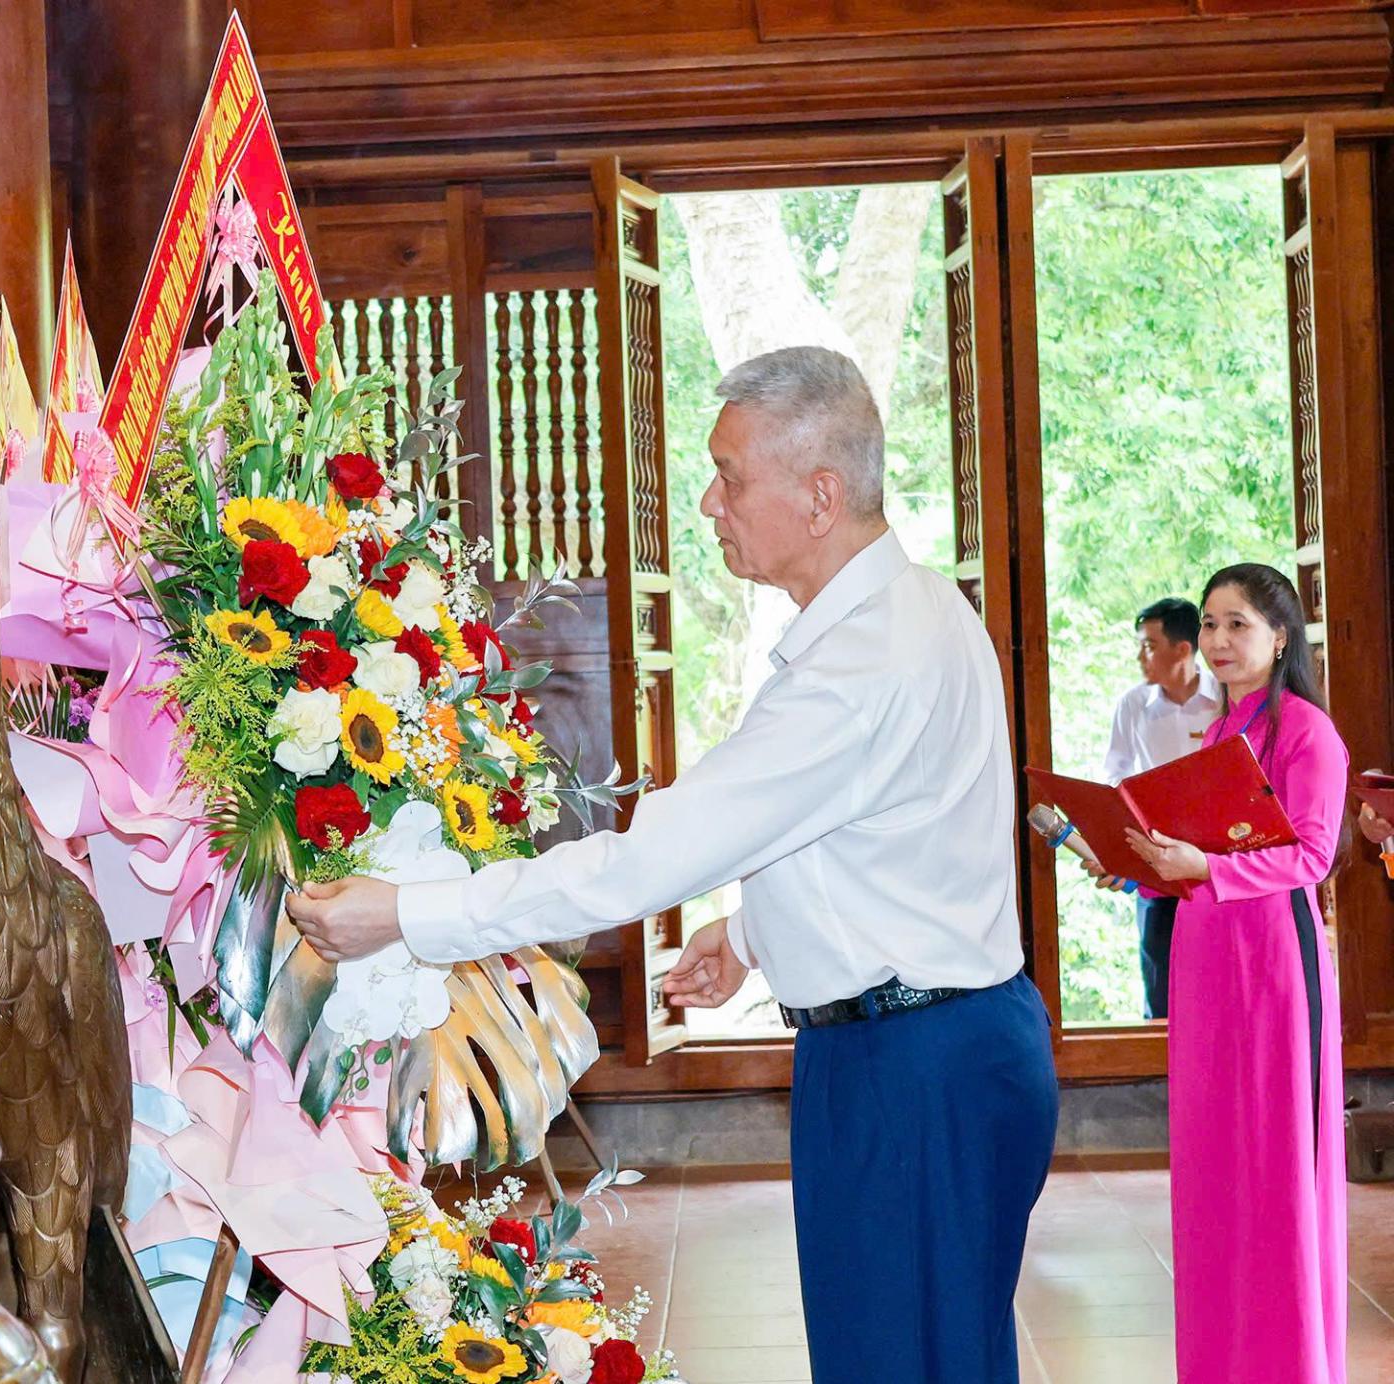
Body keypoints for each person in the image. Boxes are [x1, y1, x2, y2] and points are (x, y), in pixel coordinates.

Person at [287, 346, 1059, 1384]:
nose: (707, 502)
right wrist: (748, 936)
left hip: (912, 1073)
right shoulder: (922, 607)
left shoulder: (858, 666)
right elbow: (902, 838)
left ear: (820, 495)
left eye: (731, 475)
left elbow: (637, 866)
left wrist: (407, 914)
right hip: (942, 1043)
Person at [1098, 564, 1346, 1384]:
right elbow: (1199, 855)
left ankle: (1290, 1361)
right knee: (1214, 1162)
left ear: (1281, 637)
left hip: (1274, 957)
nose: (1217, 641)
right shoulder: (1217, 734)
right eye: (1209, 624)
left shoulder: (1309, 732)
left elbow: (1309, 856)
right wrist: (1135, 865)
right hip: (1206, 955)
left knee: (1277, 1163)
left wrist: (1199, 862)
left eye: (1237, 624)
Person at [1101, 596, 1220, 1018]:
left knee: (1217, 988)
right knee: (1162, 986)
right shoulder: (1133, 705)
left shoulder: (1225, 699)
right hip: (1156, 866)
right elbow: (1114, 777)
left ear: (1183, 649)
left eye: (1149, 645)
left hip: (1214, 865)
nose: (1140, 656)